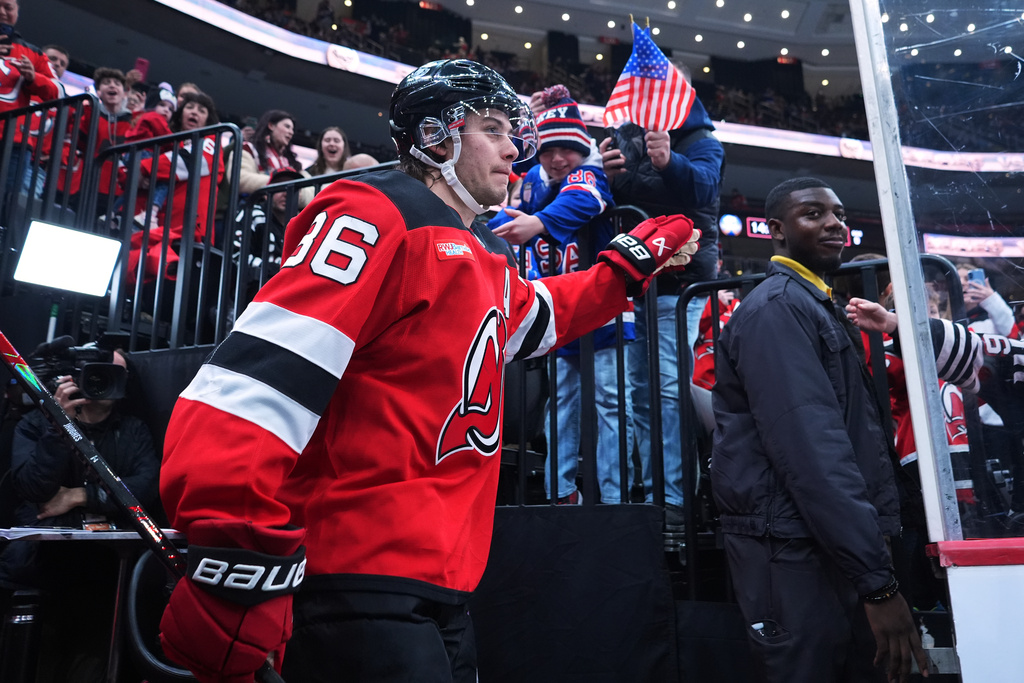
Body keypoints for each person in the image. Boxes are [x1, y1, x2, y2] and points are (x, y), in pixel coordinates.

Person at [156, 58, 698, 683]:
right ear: (436, 136)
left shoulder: (484, 249)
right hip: (356, 576)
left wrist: (620, 272)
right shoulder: (373, 212)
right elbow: (259, 379)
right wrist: (235, 548)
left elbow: (534, 320)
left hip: (443, 580)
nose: (513, 149)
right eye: (491, 128)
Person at [710, 177, 928, 683]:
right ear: (777, 231)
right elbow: (814, 455)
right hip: (793, 554)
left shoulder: (812, 302)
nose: (834, 224)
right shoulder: (777, 309)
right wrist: (877, 583)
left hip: (827, 548)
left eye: (839, 215)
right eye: (813, 214)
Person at [489, 84, 635, 505]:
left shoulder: (588, 173)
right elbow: (504, 207)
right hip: (560, 311)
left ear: (581, 149)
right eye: (549, 149)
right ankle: (559, 493)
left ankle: (614, 499)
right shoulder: (534, 181)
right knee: (563, 406)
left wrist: (536, 224)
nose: (557, 158)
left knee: (610, 406)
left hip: (604, 311)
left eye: (567, 150)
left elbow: (584, 200)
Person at [599, 66, 725, 527]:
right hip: (634, 284)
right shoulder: (624, 136)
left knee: (669, 391)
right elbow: (617, 200)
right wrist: (607, 175)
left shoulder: (702, 140)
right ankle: (650, 493)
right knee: (639, 392)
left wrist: (669, 162)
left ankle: (675, 502)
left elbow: (705, 188)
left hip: (679, 285)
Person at [127, 90, 224, 284]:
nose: (194, 112)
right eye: (189, 107)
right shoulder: (170, 144)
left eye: (201, 110)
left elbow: (188, 161)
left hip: (190, 233)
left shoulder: (211, 141)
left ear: (209, 120)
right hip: (162, 230)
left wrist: (143, 169)